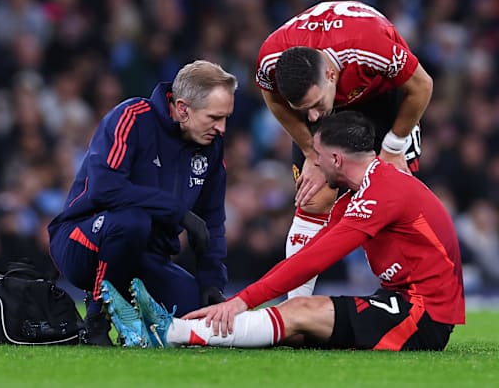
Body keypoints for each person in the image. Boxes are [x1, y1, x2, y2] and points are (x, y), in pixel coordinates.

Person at [100, 111, 465, 351]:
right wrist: (246, 300)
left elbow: (316, 259)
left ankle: (170, 332)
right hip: (403, 299)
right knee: (295, 325)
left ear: (336, 160)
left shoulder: (382, 194)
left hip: (424, 315)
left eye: (316, 157)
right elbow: (309, 254)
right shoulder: (362, 192)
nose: (312, 165)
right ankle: (176, 328)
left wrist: (241, 300)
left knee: (300, 311)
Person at [47, 60, 236, 346]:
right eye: (214, 117)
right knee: (132, 222)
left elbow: (211, 220)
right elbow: (105, 189)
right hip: (82, 241)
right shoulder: (132, 117)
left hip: (147, 258)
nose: (221, 128)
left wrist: (211, 282)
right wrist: (178, 213)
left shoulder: (210, 147)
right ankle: (96, 319)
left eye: (226, 118)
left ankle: (132, 310)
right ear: (183, 109)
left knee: (198, 314)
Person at [255, 1, 433, 297]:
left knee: (393, 200)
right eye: (303, 109)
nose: (312, 117)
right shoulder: (271, 59)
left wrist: (393, 146)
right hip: (336, 104)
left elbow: (422, 86)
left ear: (330, 75)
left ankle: (412, 299)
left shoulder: (368, 44)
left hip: (383, 97)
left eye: (313, 106)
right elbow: (272, 98)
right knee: (313, 197)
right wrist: (311, 150)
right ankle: (295, 308)